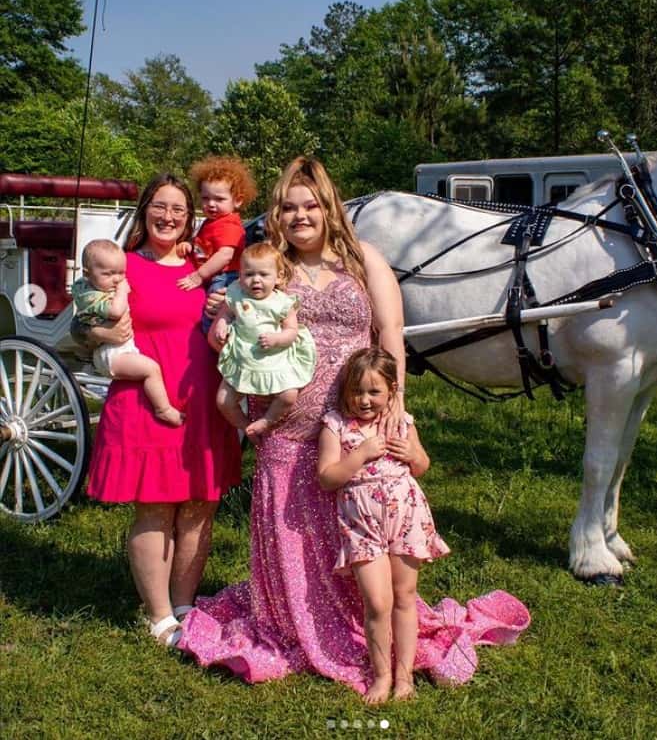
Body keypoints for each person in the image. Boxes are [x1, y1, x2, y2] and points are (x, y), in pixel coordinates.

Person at [178, 156, 529, 693]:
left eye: (310, 205)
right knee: (292, 531)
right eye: (289, 207)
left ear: (328, 207)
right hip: (284, 421)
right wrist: (218, 325)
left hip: (356, 420)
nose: (300, 216)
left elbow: (389, 331)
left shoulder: (363, 261)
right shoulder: (271, 267)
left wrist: (396, 406)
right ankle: (296, 621)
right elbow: (232, 328)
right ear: (278, 213)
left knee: (361, 531)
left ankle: (368, 626)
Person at [83, 173, 241, 647]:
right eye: (160, 206)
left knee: (199, 506)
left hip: (201, 397)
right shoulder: (120, 266)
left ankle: (184, 605)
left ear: (191, 216)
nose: (169, 217)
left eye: (179, 209)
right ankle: (158, 618)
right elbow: (81, 324)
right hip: (147, 400)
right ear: (145, 210)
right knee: (154, 507)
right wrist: (98, 338)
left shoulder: (209, 267)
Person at [318, 346, 450, 702]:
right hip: (361, 523)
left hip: (404, 516)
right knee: (377, 602)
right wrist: (359, 455)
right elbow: (327, 478)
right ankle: (381, 674)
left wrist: (414, 455)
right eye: (356, 392)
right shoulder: (336, 425)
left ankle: (404, 677)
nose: (364, 400)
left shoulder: (401, 422)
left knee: (404, 596)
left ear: (392, 390)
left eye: (374, 392)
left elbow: (421, 466)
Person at [72, 239, 183, 426]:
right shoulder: (93, 294)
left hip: (120, 351)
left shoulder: (99, 286)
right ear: (87, 274)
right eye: (108, 274)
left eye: (121, 273)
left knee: (150, 369)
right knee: (151, 369)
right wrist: (122, 291)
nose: (117, 279)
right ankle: (163, 409)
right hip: (113, 353)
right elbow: (114, 312)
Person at [212, 241, 317, 440]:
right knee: (223, 401)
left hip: (274, 361)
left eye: (263, 275)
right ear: (240, 275)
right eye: (249, 274)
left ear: (278, 277)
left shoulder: (282, 302)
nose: (256, 281)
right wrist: (222, 325)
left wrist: (278, 339)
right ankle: (247, 427)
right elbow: (226, 314)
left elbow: (292, 330)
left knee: (288, 395)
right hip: (243, 361)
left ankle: (267, 420)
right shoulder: (236, 294)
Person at [176, 155, 257, 332]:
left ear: (238, 200)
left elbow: (224, 255)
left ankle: (214, 342)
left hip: (225, 277)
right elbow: (204, 247)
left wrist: (198, 276)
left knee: (211, 317)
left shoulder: (229, 224)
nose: (211, 204)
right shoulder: (211, 222)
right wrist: (189, 245)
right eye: (206, 198)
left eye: (219, 199)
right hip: (213, 276)